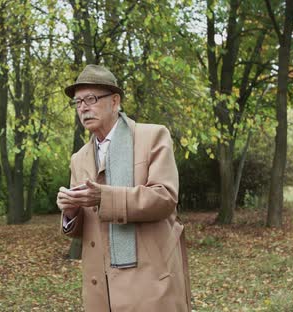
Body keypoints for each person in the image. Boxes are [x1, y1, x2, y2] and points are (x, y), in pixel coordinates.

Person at [57, 64, 191, 311]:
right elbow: (85, 229)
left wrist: (104, 197)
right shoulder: (79, 158)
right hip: (100, 289)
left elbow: (165, 197)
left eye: (91, 99)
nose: (83, 108)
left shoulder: (152, 137)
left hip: (150, 284)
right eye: (77, 103)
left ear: (115, 101)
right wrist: (71, 212)